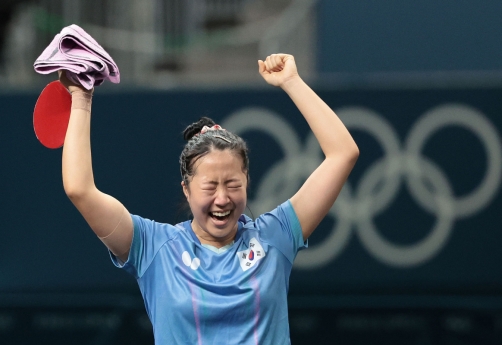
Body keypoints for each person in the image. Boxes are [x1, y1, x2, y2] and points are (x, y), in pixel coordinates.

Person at [60, 54, 359, 344]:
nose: (222, 199)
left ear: (246, 183)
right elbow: (80, 190)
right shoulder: (153, 247)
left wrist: (292, 82)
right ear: (186, 189)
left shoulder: (275, 236)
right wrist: (81, 98)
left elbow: (343, 153)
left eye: (232, 184)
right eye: (209, 187)